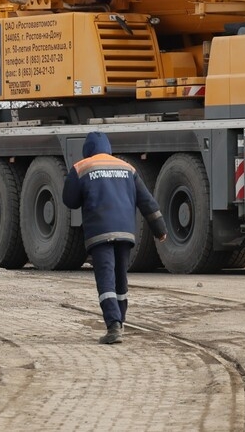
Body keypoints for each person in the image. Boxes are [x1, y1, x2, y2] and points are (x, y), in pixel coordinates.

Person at [62, 132, 167, 344]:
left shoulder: (82, 167)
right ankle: (120, 322)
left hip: (100, 233)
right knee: (121, 279)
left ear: (88, 149)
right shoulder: (127, 168)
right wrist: (160, 229)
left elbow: (70, 200)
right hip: (125, 233)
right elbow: (147, 202)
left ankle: (113, 326)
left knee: (106, 279)